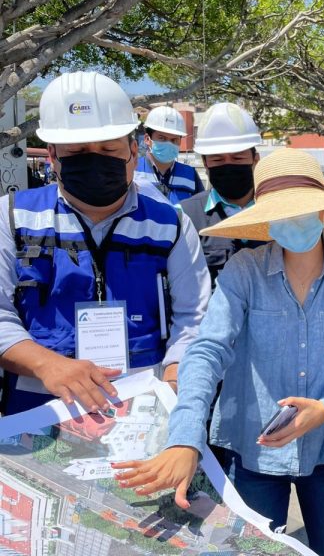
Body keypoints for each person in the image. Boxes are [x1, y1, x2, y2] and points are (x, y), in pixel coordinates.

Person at [113, 148, 324, 556]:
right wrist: (185, 438)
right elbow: (207, 351)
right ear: (266, 219)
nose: (294, 220)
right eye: (282, 213)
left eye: (303, 209)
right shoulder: (244, 271)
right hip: (253, 451)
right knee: (252, 550)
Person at [0, 72, 211, 415]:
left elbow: (194, 317)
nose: (95, 160)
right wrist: (46, 364)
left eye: (108, 149)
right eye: (78, 151)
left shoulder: (170, 225)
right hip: (38, 408)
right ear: (52, 155)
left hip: (141, 405)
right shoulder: (12, 217)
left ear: (133, 151)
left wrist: (174, 380)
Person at [180, 103, 268, 286]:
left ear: (255, 160)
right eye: (218, 159)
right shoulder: (185, 216)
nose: (228, 165)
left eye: (237, 158)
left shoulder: (276, 211)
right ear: (205, 164)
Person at [135, 106, 205, 204]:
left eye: (174, 140)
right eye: (162, 138)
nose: (168, 144)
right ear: (147, 139)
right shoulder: (133, 170)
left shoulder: (190, 174)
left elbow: (201, 207)